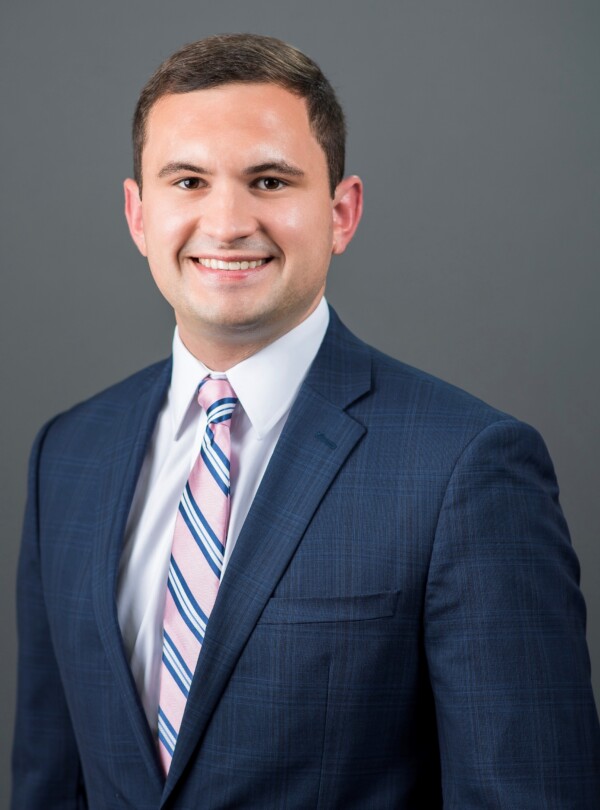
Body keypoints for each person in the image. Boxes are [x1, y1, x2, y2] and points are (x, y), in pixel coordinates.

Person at [12, 33, 600, 809]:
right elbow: (48, 782)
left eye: (268, 180)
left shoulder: (468, 466)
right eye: (188, 181)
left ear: (341, 212)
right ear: (138, 214)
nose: (227, 222)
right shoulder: (68, 455)